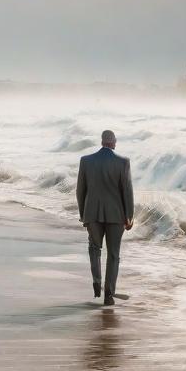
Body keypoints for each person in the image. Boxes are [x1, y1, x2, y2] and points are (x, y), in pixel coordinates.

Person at [76, 130, 134, 306]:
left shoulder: (86, 161)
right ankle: (109, 294)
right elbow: (127, 192)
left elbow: (80, 191)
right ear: (114, 142)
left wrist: (83, 215)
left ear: (102, 142)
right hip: (116, 216)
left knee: (94, 249)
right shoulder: (123, 162)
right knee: (113, 255)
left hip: (92, 214)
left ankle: (96, 282)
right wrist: (129, 216)